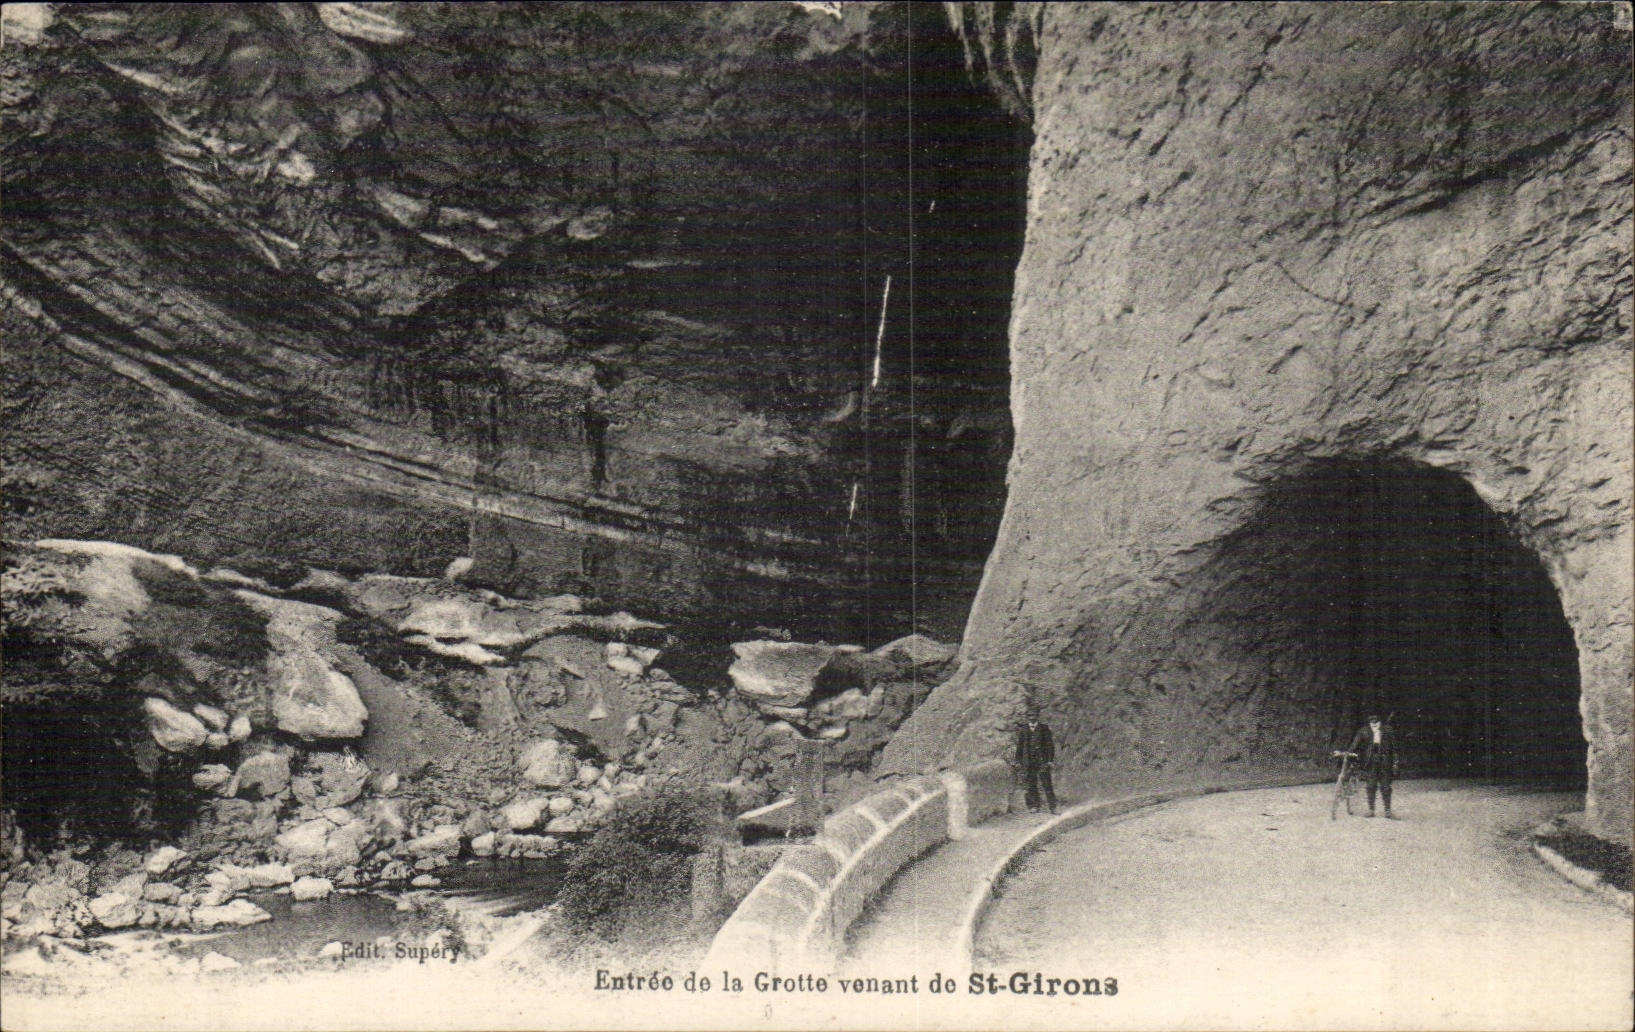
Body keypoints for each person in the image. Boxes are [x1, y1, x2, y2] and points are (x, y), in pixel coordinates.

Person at [1347, 713, 1399, 818]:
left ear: (1381, 722)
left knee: (1386, 786)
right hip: (1370, 763)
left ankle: (1388, 811)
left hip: (1385, 763)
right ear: (1369, 723)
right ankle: (1371, 810)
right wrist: (1348, 752)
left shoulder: (1388, 731)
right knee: (1370, 786)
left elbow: (1395, 748)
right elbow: (1355, 744)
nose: (1374, 724)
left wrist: (1395, 762)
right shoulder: (1364, 731)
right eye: (1372, 722)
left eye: (1377, 722)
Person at [1016, 709, 1057, 814]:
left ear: (1038, 716)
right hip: (1029, 761)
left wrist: (1050, 760)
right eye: (1030, 715)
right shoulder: (1023, 730)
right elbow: (1020, 746)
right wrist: (1018, 761)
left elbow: (1049, 745)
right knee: (1031, 783)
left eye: (1034, 715)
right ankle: (1034, 806)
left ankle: (1053, 807)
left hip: (1042, 760)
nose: (1032, 717)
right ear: (1027, 717)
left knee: (1046, 783)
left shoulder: (1044, 728)